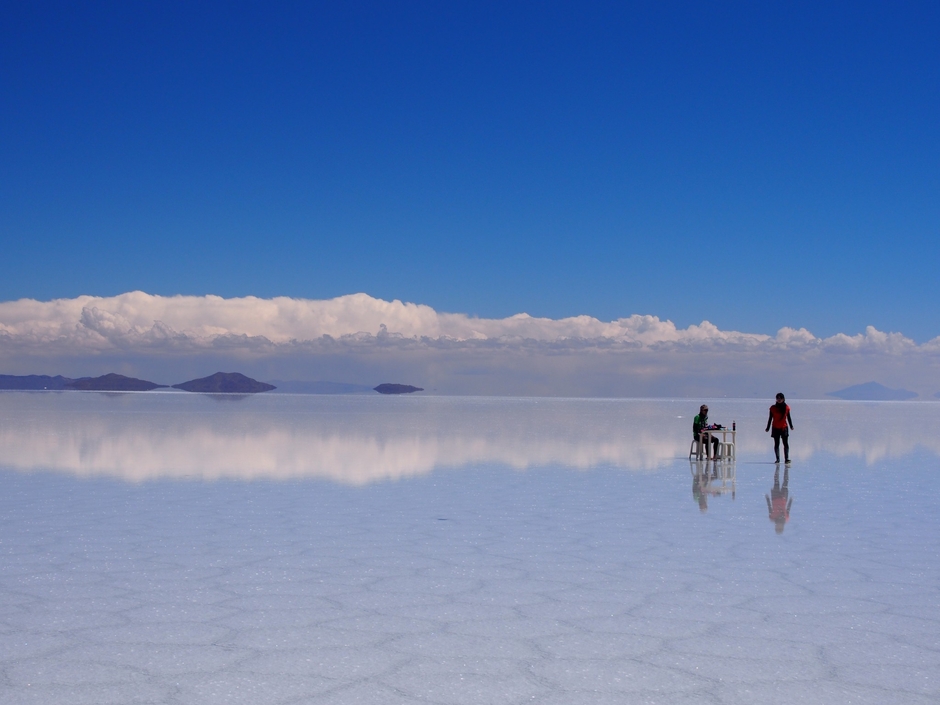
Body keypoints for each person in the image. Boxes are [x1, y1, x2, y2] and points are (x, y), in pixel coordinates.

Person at [765, 392, 794, 463]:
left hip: (784, 428)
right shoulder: (773, 408)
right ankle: (777, 459)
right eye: (777, 398)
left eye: (780, 398)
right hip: (775, 428)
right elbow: (770, 418)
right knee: (776, 444)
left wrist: (791, 426)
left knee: (785, 443)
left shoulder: (786, 408)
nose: (779, 399)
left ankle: (786, 459)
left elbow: (789, 418)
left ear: (783, 399)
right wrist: (767, 427)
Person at [765, 464, 793, 534]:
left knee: (776, 481)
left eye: (777, 527)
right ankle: (786, 469)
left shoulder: (772, 518)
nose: (778, 526)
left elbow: (769, 507)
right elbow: (788, 509)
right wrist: (790, 500)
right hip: (784, 498)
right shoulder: (786, 518)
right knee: (785, 482)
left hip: (775, 497)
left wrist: (767, 499)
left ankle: (777, 468)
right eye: (779, 527)